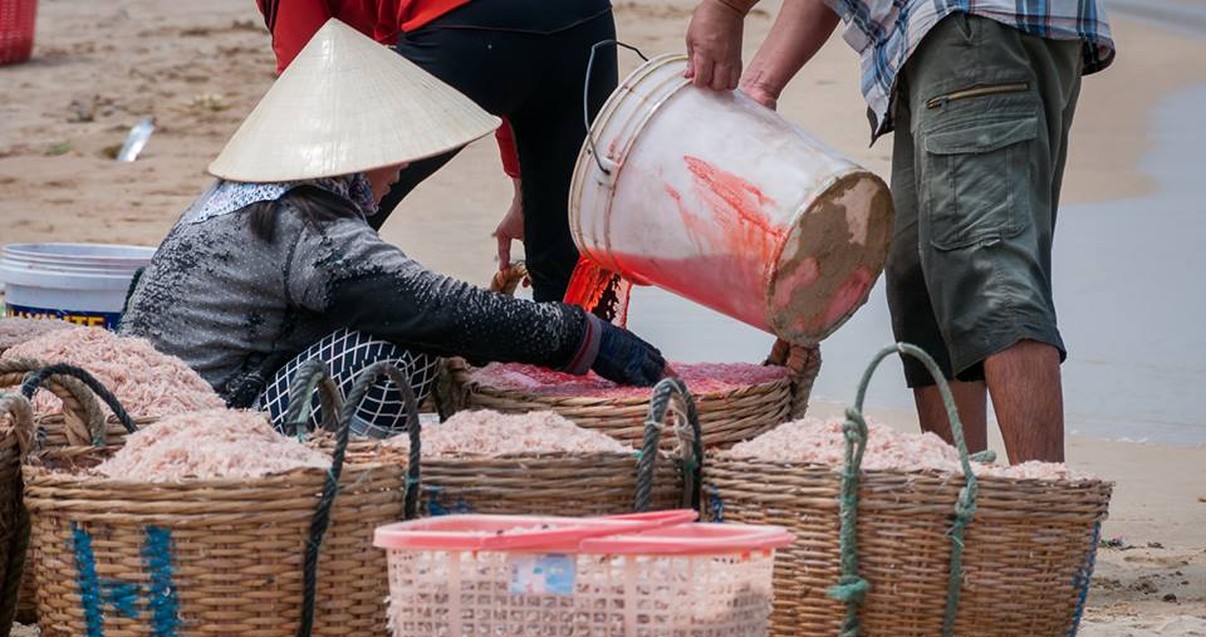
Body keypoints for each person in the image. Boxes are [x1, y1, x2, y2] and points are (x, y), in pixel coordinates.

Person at [120, 20, 665, 436]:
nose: (403, 165)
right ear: (352, 155)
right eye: (394, 151)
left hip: (171, 402)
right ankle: (354, 504)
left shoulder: (239, 199)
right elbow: (428, 306)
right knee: (394, 353)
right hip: (197, 428)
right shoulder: (305, 224)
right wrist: (580, 335)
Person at [683, 0, 1114, 464]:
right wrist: (761, 86)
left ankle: (1044, 516)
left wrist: (725, 8)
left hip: (972, 28)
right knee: (923, 284)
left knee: (990, 272)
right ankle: (960, 504)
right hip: (947, 39)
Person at [255, 0, 620, 305]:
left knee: (318, 228)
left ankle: (281, 377)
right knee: (570, 272)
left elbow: (307, 89)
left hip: (464, 23)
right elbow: (518, 79)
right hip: (583, 19)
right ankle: (591, 376)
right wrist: (526, 195)